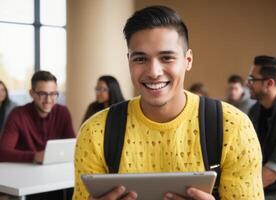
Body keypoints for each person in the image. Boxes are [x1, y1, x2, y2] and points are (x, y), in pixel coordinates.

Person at [73, 5, 264, 200]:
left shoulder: (233, 127)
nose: (154, 71)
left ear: (187, 60)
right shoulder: (95, 132)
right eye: (140, 59)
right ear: (129, 61)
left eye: (166, 57)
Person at [0, 70, 75, 163]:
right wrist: (34, 157)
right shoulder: (17, 115)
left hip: (55, 170)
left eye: (53, 94)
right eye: (42, 94)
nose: (48, 100)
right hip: (24, 171)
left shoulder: (63, 112)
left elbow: (73, 147)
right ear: (32, 93)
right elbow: (3, 153)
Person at [248, 55, 276, 199]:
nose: (248, 84)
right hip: (263, 185)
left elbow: (274, 169)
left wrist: (242, 192)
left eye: (252, 79)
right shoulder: (255, 110)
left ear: (269, 83)